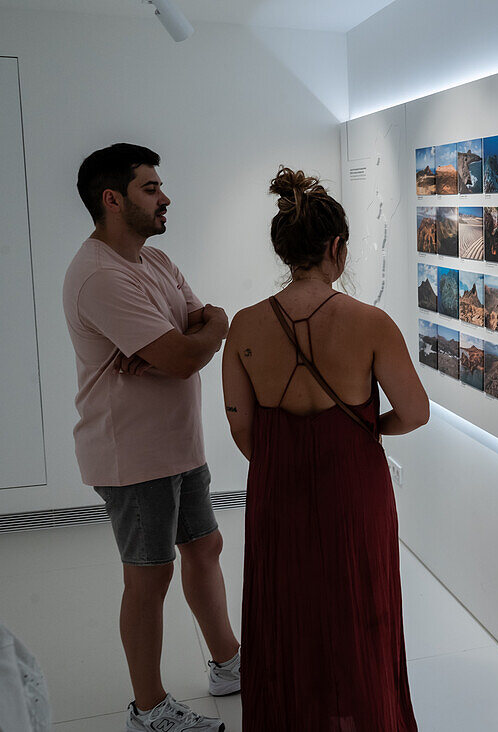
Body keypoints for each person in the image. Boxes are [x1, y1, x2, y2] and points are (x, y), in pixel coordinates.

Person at [222, 167, 428, 729]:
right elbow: (415, 412)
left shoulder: (242, 328)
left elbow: (242, 429)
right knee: (362, 611)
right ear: (337, 247)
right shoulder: (371, 323)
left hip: (277, 487)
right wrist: (363, 433)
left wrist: (287, 459)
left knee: (285, 611)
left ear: (284, 249)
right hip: (354, 485)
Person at [63, 143, 240, 732]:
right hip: (132, 453)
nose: (164, 197)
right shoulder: (97, 277)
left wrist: (198, 334)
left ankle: (228, 663)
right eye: (150, 188)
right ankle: (149, 706)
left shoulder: (155, 264)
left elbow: (210, 322)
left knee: (205, 548)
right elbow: (188, 354)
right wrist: (187, 344)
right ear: (112, 200)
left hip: (177, 444)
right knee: (148, 576)